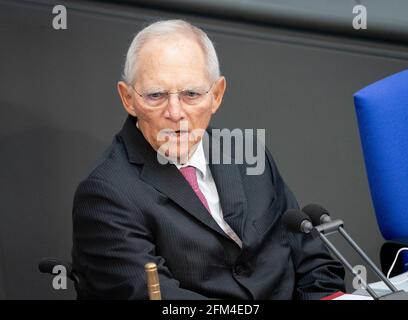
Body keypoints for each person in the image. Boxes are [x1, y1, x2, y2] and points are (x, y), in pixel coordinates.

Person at [72, 19, 345, 299]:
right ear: (128, 99)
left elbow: (315, 265)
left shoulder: (247, 154)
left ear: (216, 95)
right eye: (156, 95)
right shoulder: (105, 195)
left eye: (191, 94)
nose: (175, 112)